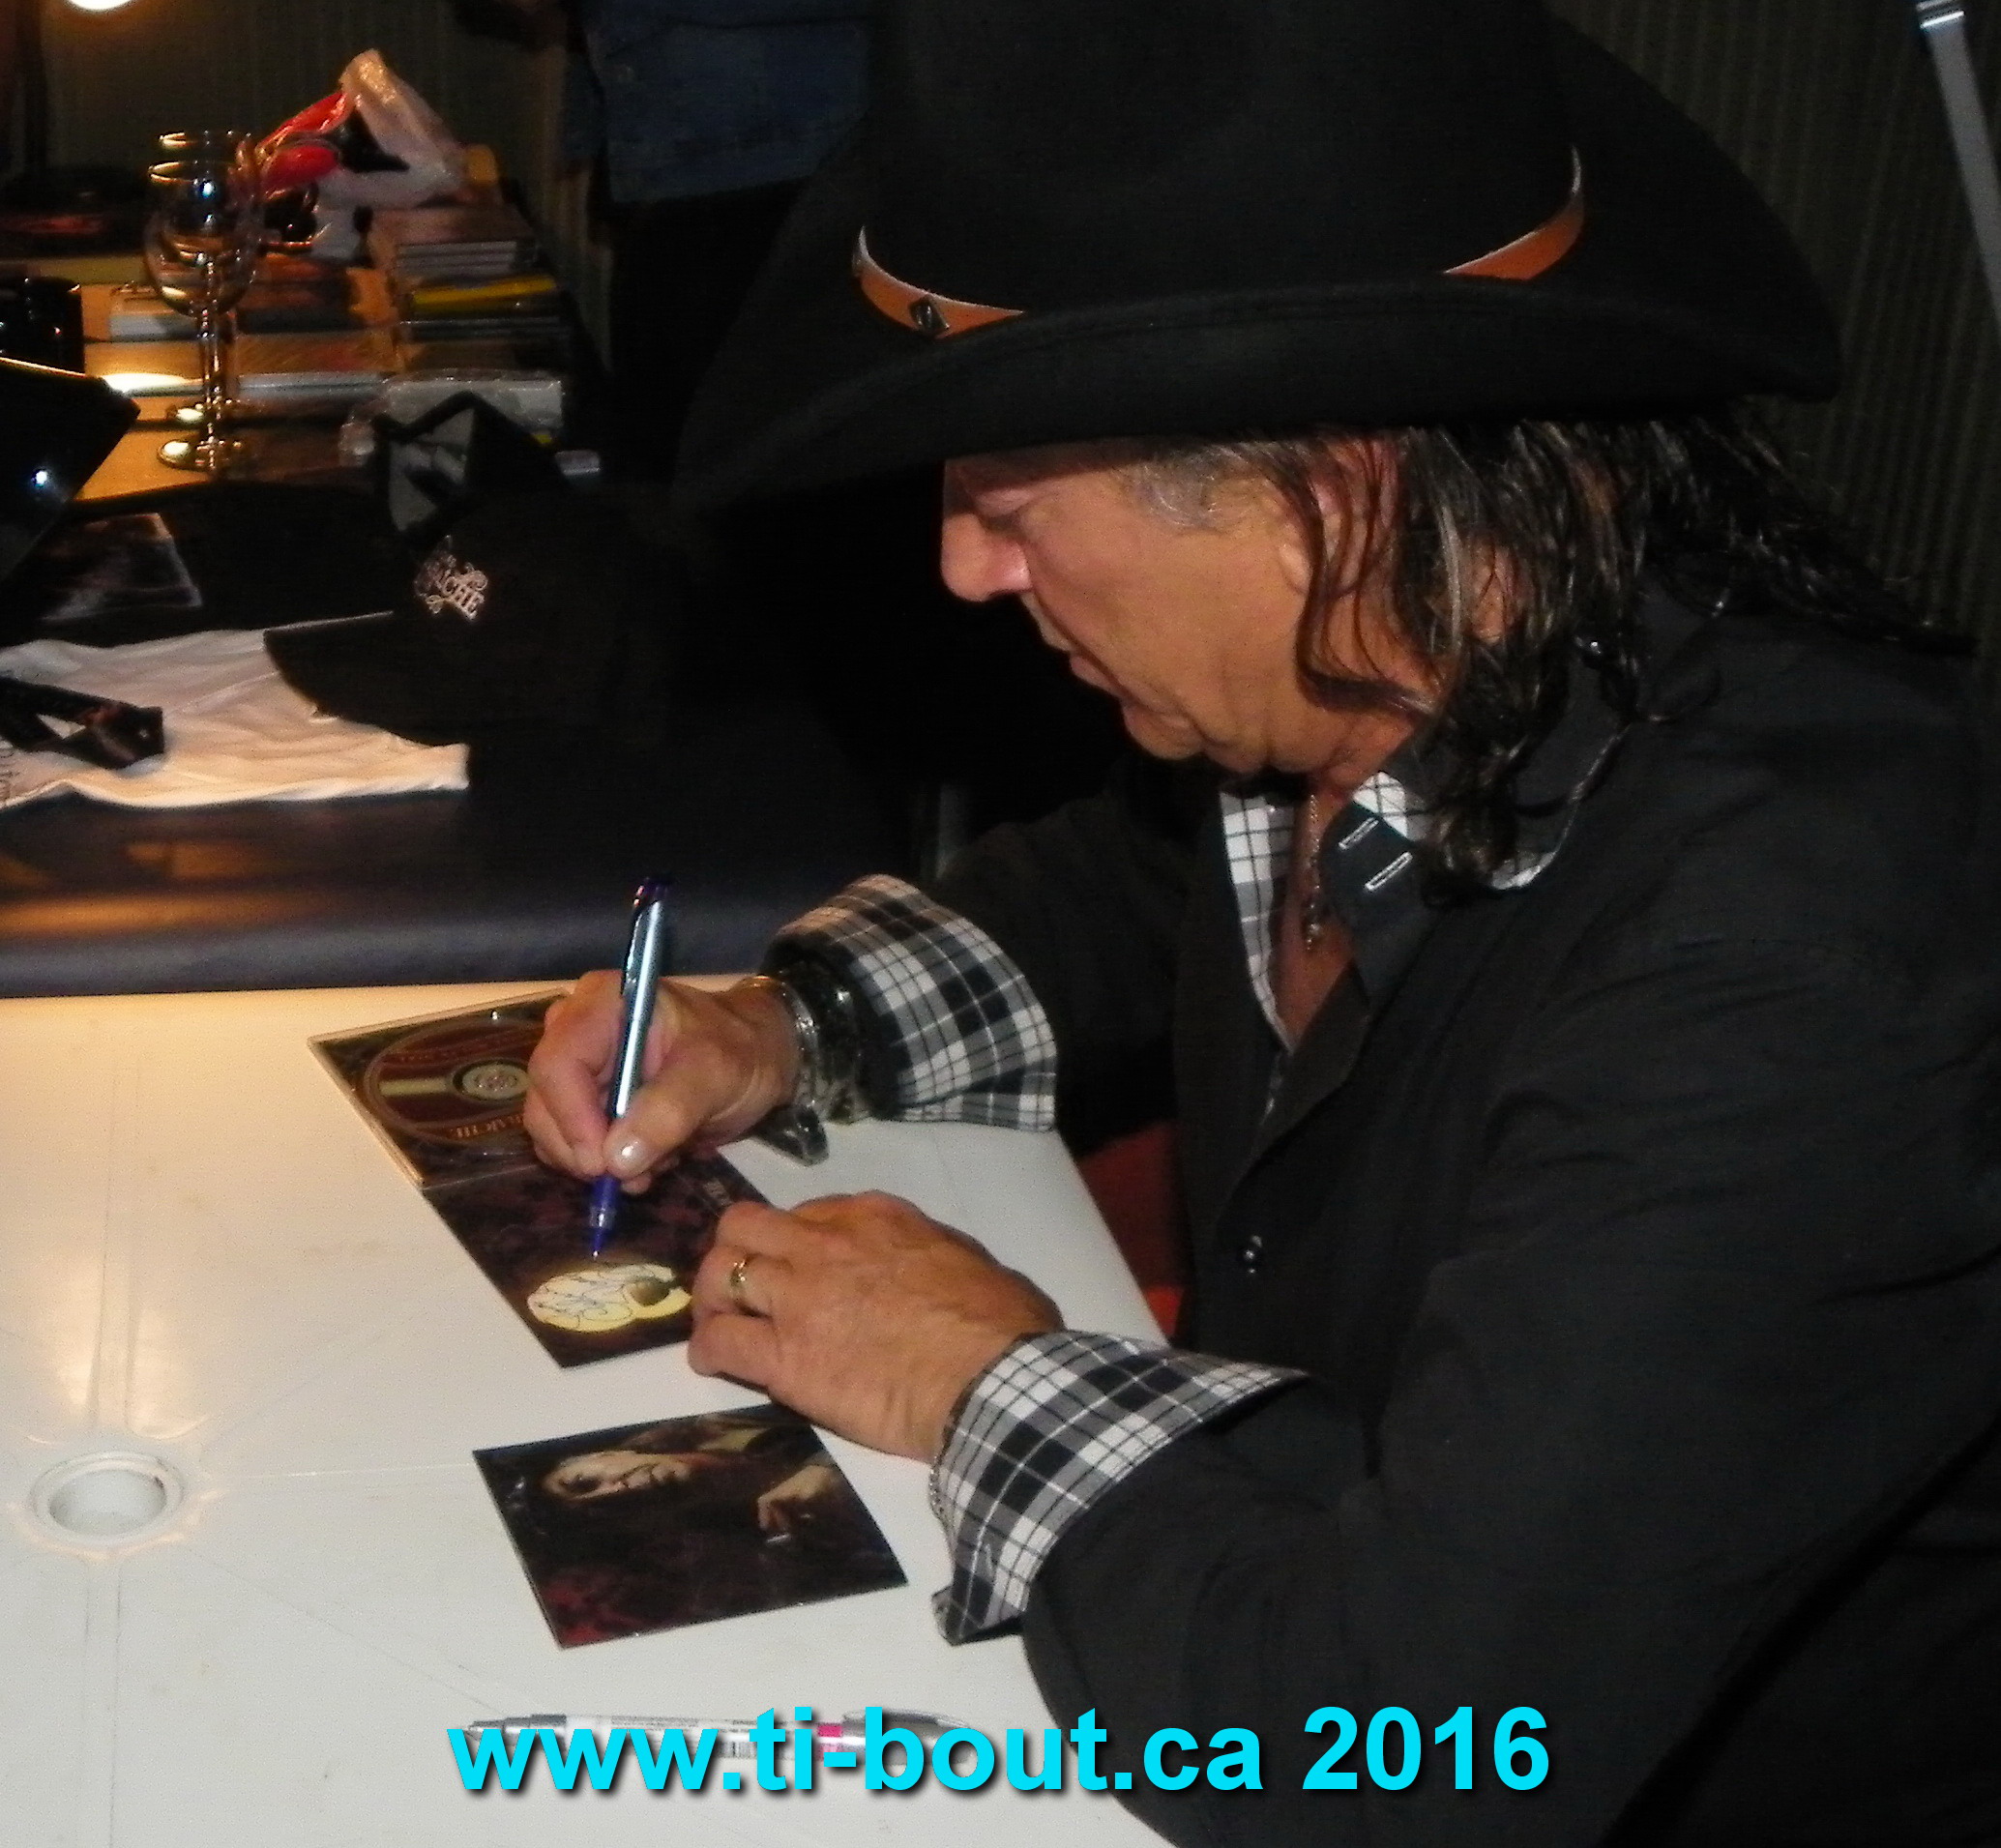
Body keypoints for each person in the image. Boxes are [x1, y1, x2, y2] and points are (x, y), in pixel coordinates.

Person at [527, 0, 2001, 1840]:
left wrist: (969, 1375)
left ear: (1334, 486)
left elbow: (1409, 1750)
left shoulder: (1788, 971)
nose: (966, 564)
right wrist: (779, 1021)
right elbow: (1131, 885)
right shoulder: (1387, 680)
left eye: (1006, 496)